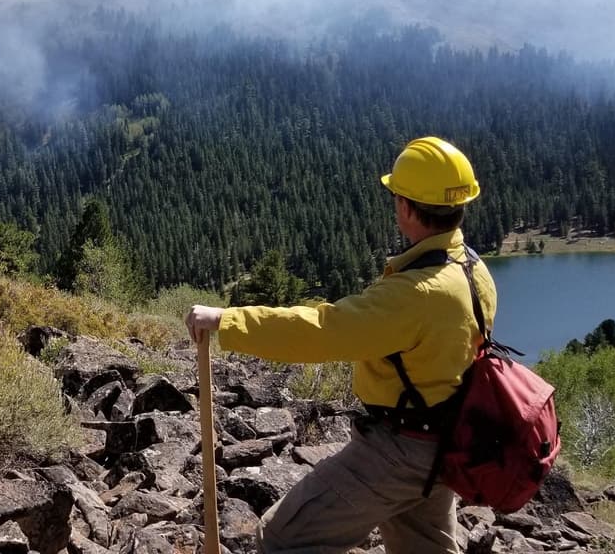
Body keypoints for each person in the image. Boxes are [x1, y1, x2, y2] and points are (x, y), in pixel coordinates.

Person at [185, 136, 497, 554]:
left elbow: (321, 330)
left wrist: (228, 320)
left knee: (283, 539)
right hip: (444, 446)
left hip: (397, 451)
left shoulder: (417, 293)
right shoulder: (475, 271)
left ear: (406, 206)